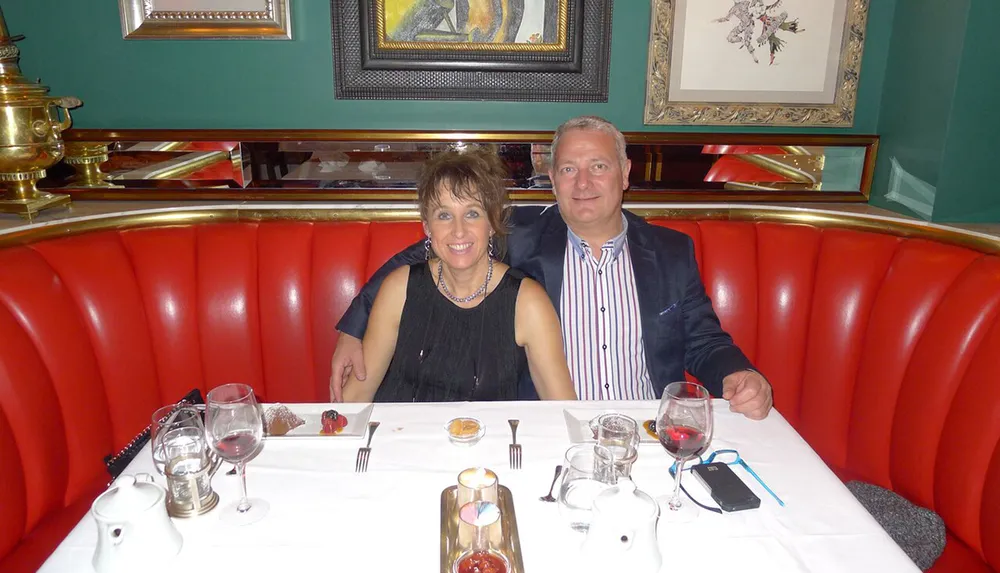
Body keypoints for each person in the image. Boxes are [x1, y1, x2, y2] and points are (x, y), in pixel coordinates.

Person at [333, 116, 772, 420]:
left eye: (598, 167)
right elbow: (430, 254)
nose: (583, 183)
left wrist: (738, 373)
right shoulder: (520, 235)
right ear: (552, 178)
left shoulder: (671, 251)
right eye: (568, 169)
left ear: (624, 173)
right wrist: (355, 326)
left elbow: (704, 340)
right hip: (549, 427)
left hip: (648, 428)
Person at [341, 148, 576, 402]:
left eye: (472, 213)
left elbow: (561, 409)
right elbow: (355, 398)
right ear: (427, 226)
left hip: (486, 440)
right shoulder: (399, 289)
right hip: (399, 437)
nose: (459, 231)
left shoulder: (527, 302)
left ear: (492, 222)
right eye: (444, 215)